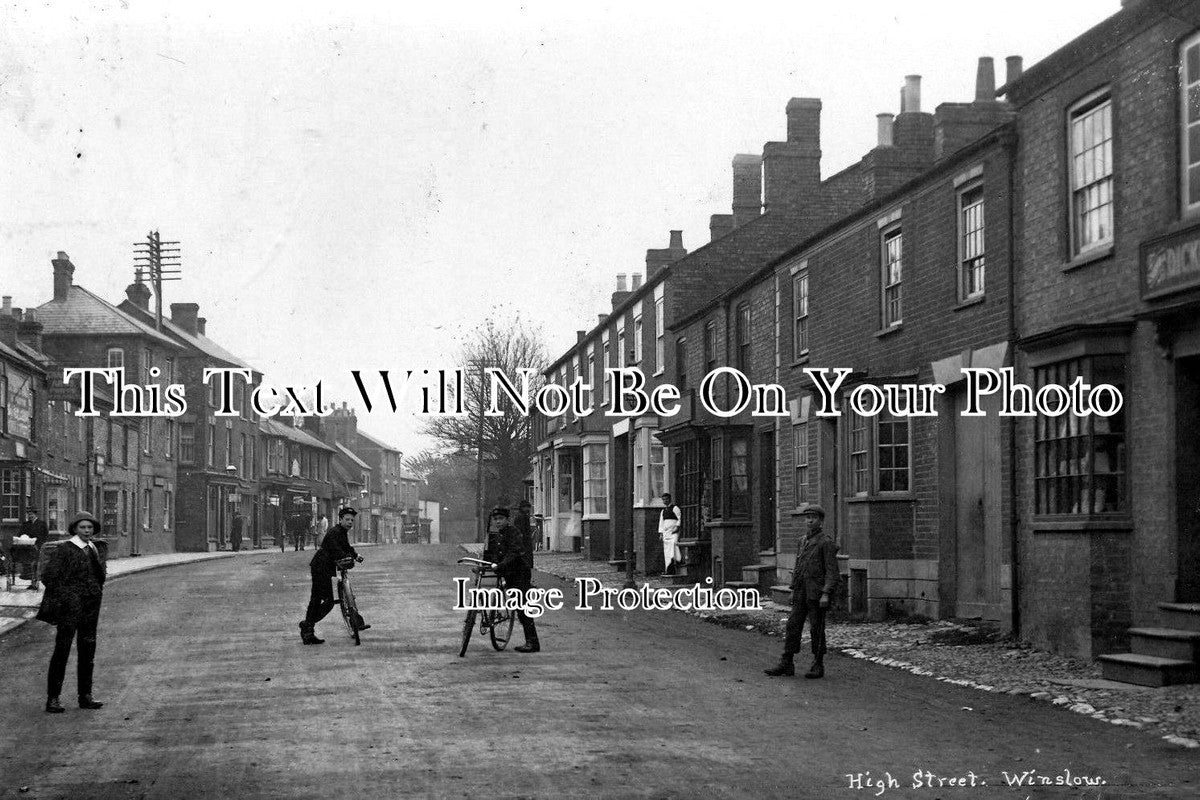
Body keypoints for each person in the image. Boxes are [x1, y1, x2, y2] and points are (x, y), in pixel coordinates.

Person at [36, 512, 107, 713]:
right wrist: (69, 597)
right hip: (70, 609)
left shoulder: (93, 548)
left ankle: (85, 696)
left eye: (90, 528)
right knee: (62, 651)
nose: (87, 531)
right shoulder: (65, 549)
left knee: (88, 651)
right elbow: (49, 577)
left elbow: (98, 575)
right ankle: (53, 699)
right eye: (83, 527)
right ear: (75, 529)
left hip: (90, 608)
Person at [765, 503, 839, 679]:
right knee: (792, 625)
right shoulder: (802, 541)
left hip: (817, 593)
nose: (810, 520)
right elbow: (798, 567)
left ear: (821, 521)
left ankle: (818, 664)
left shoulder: (826, 543)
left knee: (816, 629)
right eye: (808, 517)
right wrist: (792, 589)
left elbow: (832, 571)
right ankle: (787, 662)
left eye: (814, 518)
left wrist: (826, 593)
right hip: (801, 592)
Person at [299, 507, 368, 644]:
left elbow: (346, 547)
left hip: (326, 567)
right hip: (321, 567)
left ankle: (308, 627)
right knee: (323, 600)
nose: (349, 522)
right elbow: (336, 549)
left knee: (321, 600)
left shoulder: (341, 532)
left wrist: (355, 555)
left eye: (352, 520)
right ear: (340, 520)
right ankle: (307, 626)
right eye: (347, 519)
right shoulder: (334, 532)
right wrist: (345, 557)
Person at [492, 506, 539, 653]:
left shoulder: (514, 532)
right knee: (518, 606)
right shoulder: (499, 534)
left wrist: (501, 565)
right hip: (510, 573)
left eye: (501, 519)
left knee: (522, 607)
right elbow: (497, 554)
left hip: (520, 573)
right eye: (496, 519)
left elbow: (513, 553)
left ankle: (532, 642)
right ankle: (531, 641)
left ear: (507, 520)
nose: (498, 522)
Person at [20, 509, 50, 590]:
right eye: (29, 514)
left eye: (32, 514)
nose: (30, 516)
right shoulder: (25, 524)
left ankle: (36, 583)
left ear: (35, 515)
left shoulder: (42, 524)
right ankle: (32, 583)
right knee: (30, 565)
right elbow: (21, 535)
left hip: (39, 548)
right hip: (28, 548)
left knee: (36, 565)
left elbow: (45, 536)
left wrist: (40, 545)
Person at [658, 492, 683, 576]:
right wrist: (661, 533)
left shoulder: (675, 508)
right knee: (667, 552)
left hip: (674, 533)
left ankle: (678, 563)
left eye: (666, 499)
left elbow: (679, 518)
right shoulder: (663, 511)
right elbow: (661, 523)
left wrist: (677, 527)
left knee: (673, 548)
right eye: (663, 500)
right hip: (666, 533)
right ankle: (668, 569)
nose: (665, 501)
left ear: (670, 499)